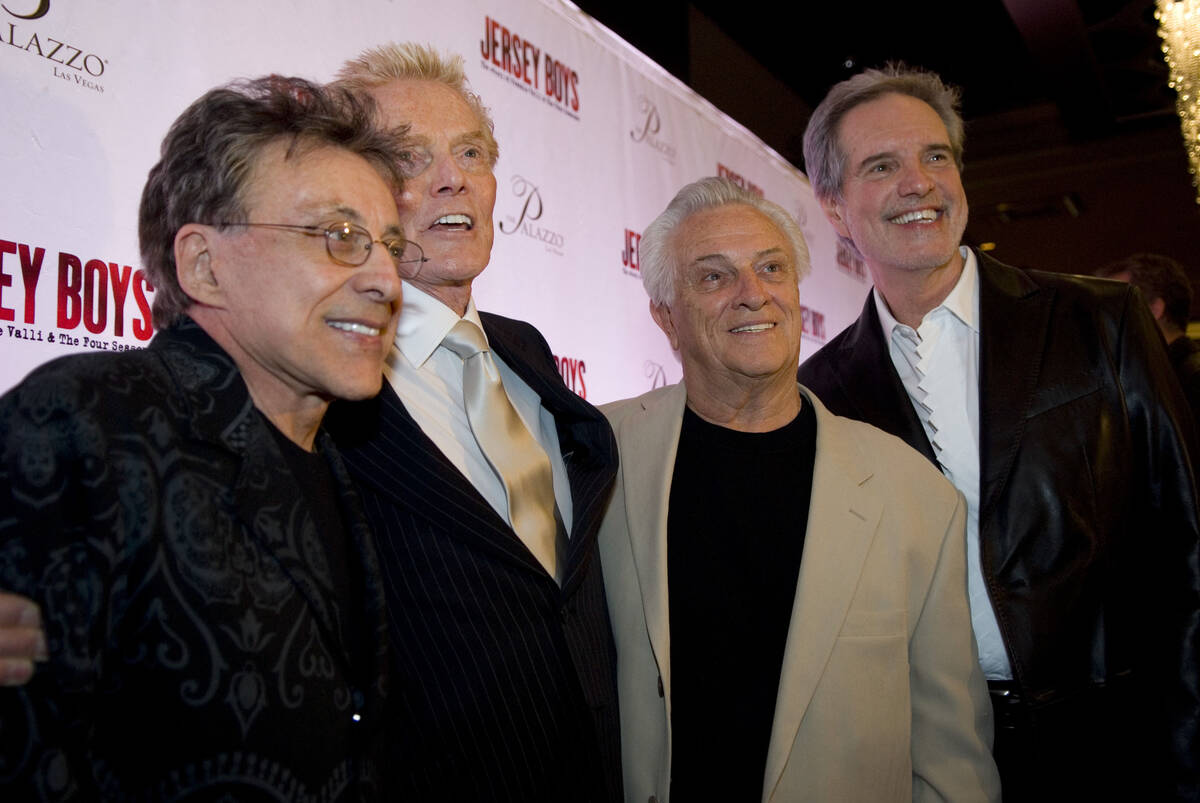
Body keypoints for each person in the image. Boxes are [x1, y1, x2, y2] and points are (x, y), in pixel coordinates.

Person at [0, 75, 414, 799]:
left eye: (388, 242)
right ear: (203, 265)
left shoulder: (349, 465)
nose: (386, 278)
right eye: (339, 236)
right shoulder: (82, 423)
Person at [796, 65, 1200, 801]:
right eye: (882, 165)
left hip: (1123, 750)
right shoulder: (817, 397)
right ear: (831, 204)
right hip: (931, 766)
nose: (919, 182)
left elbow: (1191, 550)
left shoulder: (1099, 323)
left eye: (936, 156)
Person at [600, 176, 1000, 802]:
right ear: (664, 316)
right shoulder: (596, 456)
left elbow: (951, 755)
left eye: (772, 269)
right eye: (713, 277)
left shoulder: (915, 495)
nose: (752, 295)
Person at [321, 44, 622, 801]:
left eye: (470, 151)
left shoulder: (527, 352)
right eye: (409, 156)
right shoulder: (319, 370)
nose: (452, 176)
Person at [1096, 252, 1200, 422]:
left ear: (1154, 309)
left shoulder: (1185, 381)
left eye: (1113, 307)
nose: (1102, 319)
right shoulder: (1161, 377)